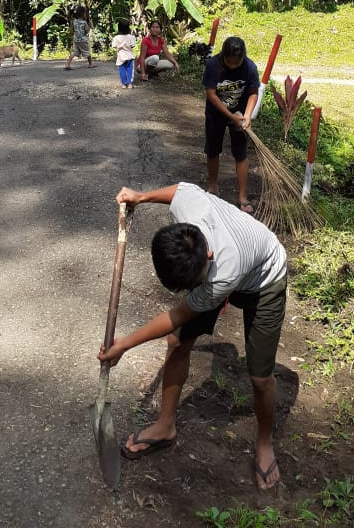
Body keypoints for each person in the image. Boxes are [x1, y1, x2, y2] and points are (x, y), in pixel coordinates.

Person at [99, 182, 286, 492]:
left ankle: (265, 443)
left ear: (208, 255)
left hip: (265, 277)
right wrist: (141, 197)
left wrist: (124, 345)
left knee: (260, 377)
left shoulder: (223, 272)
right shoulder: (191, 211)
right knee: (178, 342)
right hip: (225, 267)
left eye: (190, 286)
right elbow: (180, 190)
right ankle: (165, 426)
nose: (185, 293)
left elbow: (176, 316)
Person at [203, 35, 259, 213]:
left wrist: (247, 116)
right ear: (223, 57)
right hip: (216, 113)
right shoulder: (213, 65)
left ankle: (242, 197)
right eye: (230, 62)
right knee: (213, 149)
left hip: (240, 114)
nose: (234, 65)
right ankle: (213, 188)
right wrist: (230, 115)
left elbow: (253, 92)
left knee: (241, 153)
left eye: (237, 62)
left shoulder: (250, 67)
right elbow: (211, 94)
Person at [111, 19, 137, 88]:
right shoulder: (131, 37)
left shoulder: (116, 38)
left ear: (119, 28)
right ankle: (130, 84)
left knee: (122, 70)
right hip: (129, 56)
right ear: (128, 28)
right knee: (130, 70)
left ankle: (123, 84)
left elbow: (114, 46)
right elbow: (133, 45)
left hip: (120, 57)